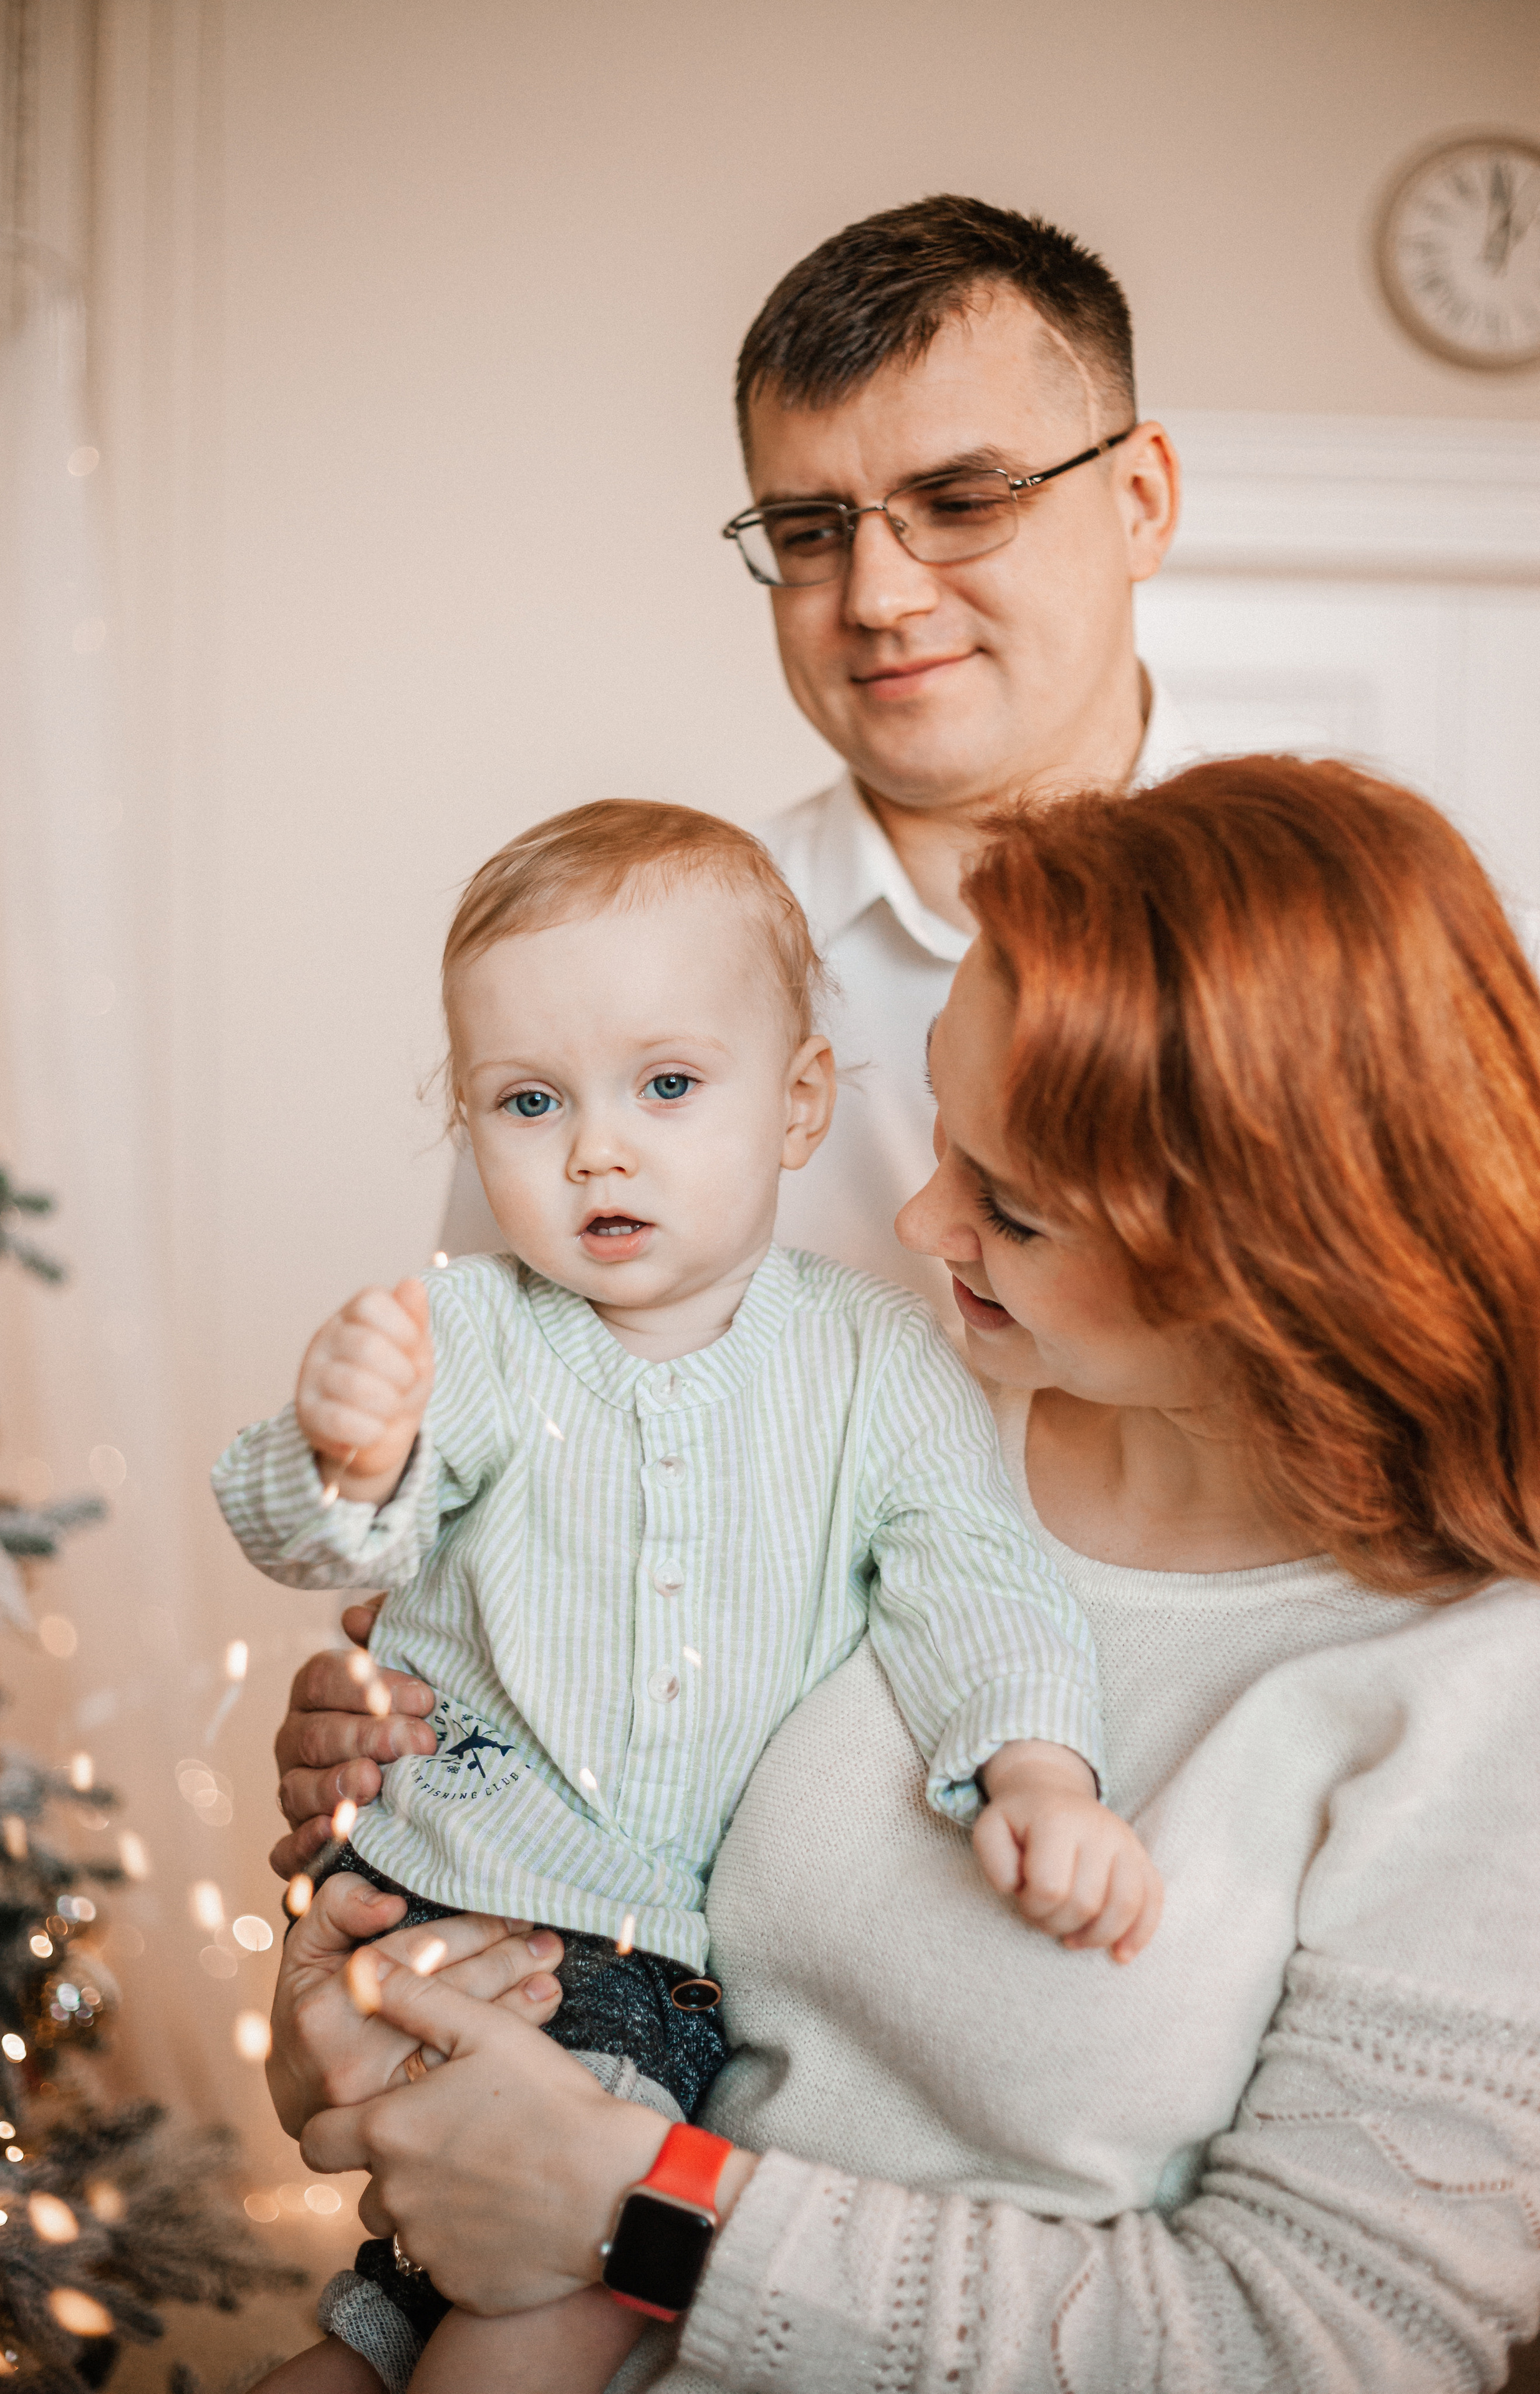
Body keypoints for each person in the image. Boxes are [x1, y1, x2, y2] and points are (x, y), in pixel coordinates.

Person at [269, 756, 1540, 2391]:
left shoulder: (1475, 1696)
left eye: (1006, 1205)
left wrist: (650, 2216)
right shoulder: (896, 1419)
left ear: (1266, 1260)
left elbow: (1321, 2339)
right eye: (943, 1132)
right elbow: (556, 1761)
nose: (921, 1215)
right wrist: (361, 1979)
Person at [270, 193, 1195, 1885]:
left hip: (1182, 1837)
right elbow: (480, 1495)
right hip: (679, 1915)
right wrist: (391, 1764)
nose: (880, 591)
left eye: (961, 500)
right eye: (811, 525)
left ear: (1140, 498)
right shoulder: (638, 992)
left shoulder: (1365, 958)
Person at [221, 800, 1160, 2394]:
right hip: (444, 1900)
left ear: (799, 1106)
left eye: (666, 1087)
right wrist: (344, 1449)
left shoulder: (878, 1363)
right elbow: (325, 1556)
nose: (599, 1146)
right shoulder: (483, 1339)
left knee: (456, 2324)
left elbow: (974, 1578)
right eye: (530, 1102)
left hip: (665, 1979)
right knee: (444, 2315)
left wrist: (1034, 1768)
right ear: (467, 1125)